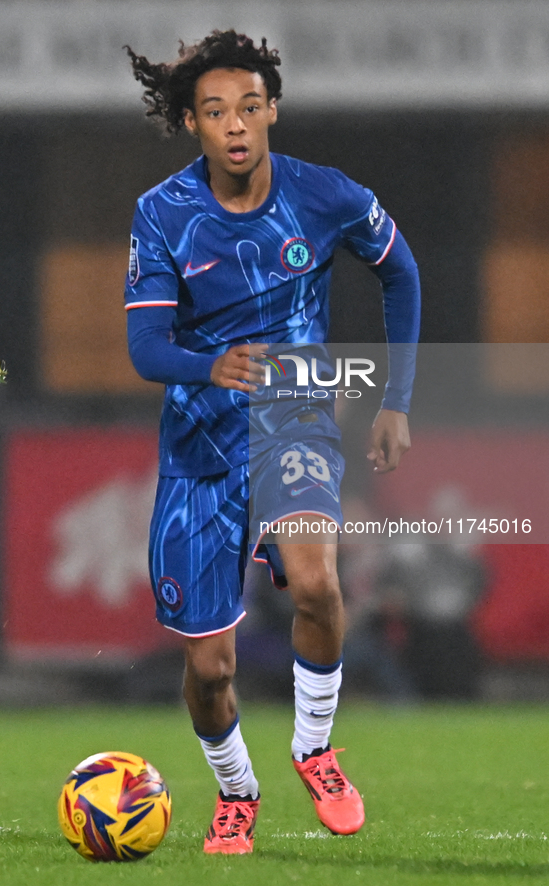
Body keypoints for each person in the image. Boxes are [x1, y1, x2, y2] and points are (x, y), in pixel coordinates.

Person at [124, 30, 420, 854]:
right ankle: (236, 790)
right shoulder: (164, 214)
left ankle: (314, 749)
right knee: (210, 668)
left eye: (249, 106)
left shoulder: (323, 196)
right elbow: (145, 350)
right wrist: (206, 364)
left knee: (318, 582)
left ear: (272, 110)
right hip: (199, 447)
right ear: (192, 124)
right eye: (215, 111)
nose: (236, 124)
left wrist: (395, 401)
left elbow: (400, 271)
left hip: (293, 417)